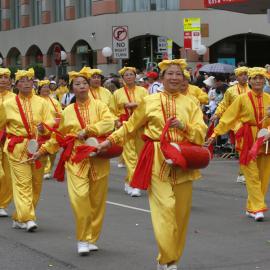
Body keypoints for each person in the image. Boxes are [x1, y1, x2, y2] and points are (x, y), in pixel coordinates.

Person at [98, 59, 207, 270]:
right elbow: (130, 127)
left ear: (183, 79)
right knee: (165, 208)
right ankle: (167, 258)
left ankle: (171, 257)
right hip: (158, 158)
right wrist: (109, 141)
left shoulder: (191, 102)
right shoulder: (149, 101)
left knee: (181, 214)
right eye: (170, 74)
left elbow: (201, 131)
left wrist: (184, 126)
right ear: (162, 77)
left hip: (184, 157)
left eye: (178, 74)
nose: (174, 78)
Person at [33, 68, 115, 255]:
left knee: (97, 201)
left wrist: (89, 130)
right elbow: (58, 138)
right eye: (77, 84)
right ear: (72, 89)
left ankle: (92, 237)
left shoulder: (101, 106)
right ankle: (82, 238)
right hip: (76, 158)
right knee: (79, 198)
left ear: (89, 86)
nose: (81, 87)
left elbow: (110, 122)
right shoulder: (68, 111)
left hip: (98, 156)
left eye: (84, 83)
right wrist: (42, 151)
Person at [207, 67, 270, 222]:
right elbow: (228, 117)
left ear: (265, 80)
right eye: (254, 78)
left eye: (261, 78)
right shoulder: (241, 99)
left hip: (266, 140)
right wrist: (215, 134)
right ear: (249, 81)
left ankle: (251, 206)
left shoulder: (269, 98)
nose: (258, 81)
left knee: (263, 176)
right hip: (248, 139)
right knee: (252, 175)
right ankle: (258, 208)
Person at [0, 68, 54, 231]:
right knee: (23, 183)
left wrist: (44, 128)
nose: (26, 84)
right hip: (17, 147)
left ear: (33, 83)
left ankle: (19, 217)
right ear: (16, 85)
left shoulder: (42, 102)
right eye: (22, 81)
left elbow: (51, 121)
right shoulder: (8, 104)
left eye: (29, 80)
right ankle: (28, 218)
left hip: (38, 147)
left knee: (36, 184)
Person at [110, 67, 148, 197]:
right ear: (122, 78)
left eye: (131, 74)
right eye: (126, 75)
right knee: (130, 157)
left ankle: (129, 181)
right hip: (125, 126)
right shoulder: (117, 93)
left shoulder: (143, 91)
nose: (129, 77)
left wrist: (135, 104)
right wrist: (116, 120)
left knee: (139, 156)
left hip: (140, 126)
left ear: (135, 76)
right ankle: (135, 184)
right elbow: (111, 110)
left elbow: (148, 106)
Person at [211, 67, 251, 183]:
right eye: (241, 75)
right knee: (243, 147)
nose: (244, 77)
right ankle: (242, 173)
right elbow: (223, 104)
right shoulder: (231, 90)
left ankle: (247, 172)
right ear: (237, 77)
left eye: (245, 74)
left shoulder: (252, 88)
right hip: (237, 124)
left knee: (250, 148)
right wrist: (217, 114)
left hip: (250, 122)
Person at [37, 80, 62, 179]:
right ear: (39, 90)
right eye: (43, 87)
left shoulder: (54, 101)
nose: (46, 89)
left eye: (47, 87)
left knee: (53, 150)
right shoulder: (36, 101)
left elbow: (60, 113)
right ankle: (45, 170)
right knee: (43, 148)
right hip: (41, 129)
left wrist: (59, 119)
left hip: (53, 129)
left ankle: (49, 168)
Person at [0, 68, 15, 217]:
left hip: (10, 139)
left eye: (6, 77)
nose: (3, 80)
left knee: (8, 174)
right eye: (0, 77)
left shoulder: (15, 97)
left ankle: (2, 204)